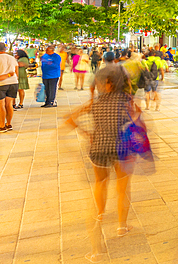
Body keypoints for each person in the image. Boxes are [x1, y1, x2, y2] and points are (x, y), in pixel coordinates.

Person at [64, 64, 139, 260]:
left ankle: (99, 215)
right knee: (123, 188)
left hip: (98, 148)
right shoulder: (127, 100)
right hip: (121, 148)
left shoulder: (95, 102)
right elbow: (135, 120)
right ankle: (122, 226)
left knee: (100, 183)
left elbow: (69, 119)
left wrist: (86, 133)